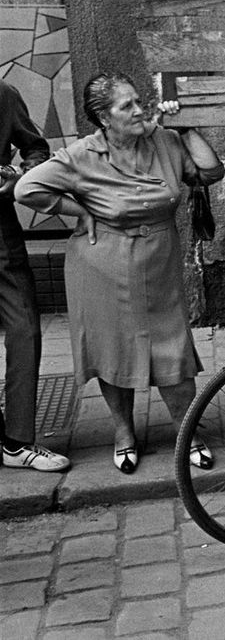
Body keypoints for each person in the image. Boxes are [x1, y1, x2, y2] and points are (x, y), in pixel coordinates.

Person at [15, 72, 225, 475]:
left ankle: (188, 432)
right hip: (101, 264)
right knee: (113, 350)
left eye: (138, 101)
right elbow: (27, 189)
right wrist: (81, 210)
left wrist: (186, 127)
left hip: (158, 261)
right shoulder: (81, 156)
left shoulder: (163, 140)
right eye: (126, 105)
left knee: (173, 349)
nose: (139, 110)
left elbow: (211, 172)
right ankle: (123, 432)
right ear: (104, 118)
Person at [0, 79, 70, 472]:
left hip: (1, 232)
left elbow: (35, 146)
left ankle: (17, 442)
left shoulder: (3, 94)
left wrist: (22, 176)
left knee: (25, 327)